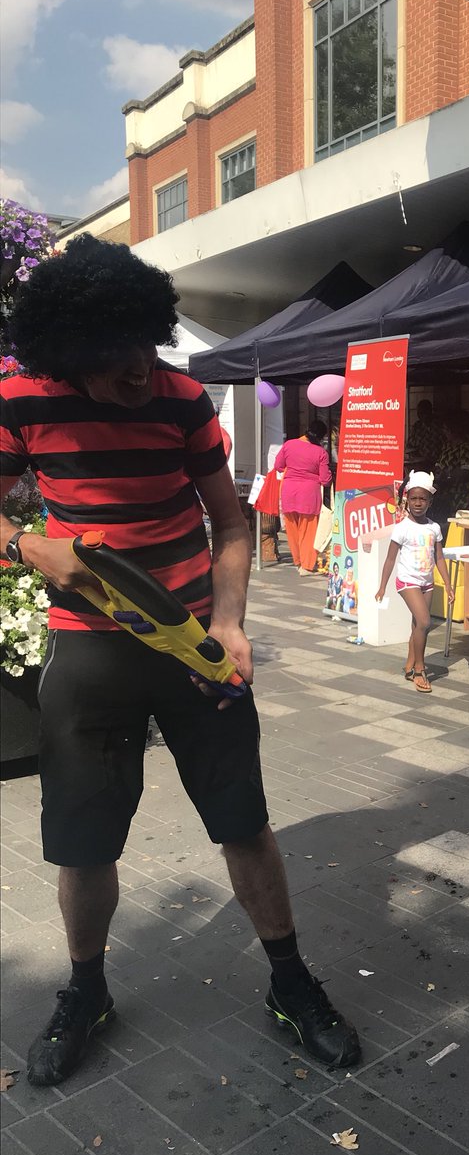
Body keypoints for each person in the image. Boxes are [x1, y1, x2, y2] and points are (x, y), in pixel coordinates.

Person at [0, 234, 360, 1088]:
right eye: (113, 357)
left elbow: (231, 523)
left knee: (243, 821)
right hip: (89, 651)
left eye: (143, 345)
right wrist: (26, 544)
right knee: (83, 841)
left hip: (196, 645)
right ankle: (86, 992)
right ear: (65, 357)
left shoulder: (184, 398)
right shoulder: (19, 399)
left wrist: (230, 624)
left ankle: (290, 981)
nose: (137, 370)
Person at [375, 471, 453, 694]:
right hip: (407, 582)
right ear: (407, 500)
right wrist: (382, 586)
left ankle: (409, 665)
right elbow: (390, 559)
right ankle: (420, 669)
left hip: (427, 583)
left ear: (430, 501)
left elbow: (439, 558)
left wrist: (448, 585)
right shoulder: (402, 528)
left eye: (423, 499)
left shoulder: (434, 528)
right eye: (414, 499)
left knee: (418, 626)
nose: (418, 503)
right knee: (425, 622)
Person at [274, 420, 332, 575]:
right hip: (309, 494)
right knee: (308, 531)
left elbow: (278, 466)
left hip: (288, 492)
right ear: (321, 437)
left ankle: (298, 561)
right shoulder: (321, 453)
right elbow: (325, 480)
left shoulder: (289, 445)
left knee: (292, 530)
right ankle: (306, 566)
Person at [434, 409, 469, 528]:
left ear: (455, 428)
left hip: (461, 496)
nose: (444, 431)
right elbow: (440, 463)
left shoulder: (466, 447)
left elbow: (466, 472)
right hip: (445, 495)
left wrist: (447, 475)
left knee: (457, 527)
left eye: (446, 428)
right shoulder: (447, 445)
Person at [406, 399, 443, 472]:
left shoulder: (439, 426)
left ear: (430, 411)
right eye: (419, 413)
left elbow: (444, 445)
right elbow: (409, 445)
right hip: (420, 463)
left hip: (436, 463)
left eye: (424, 412)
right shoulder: (417, 426)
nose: (422, 415)